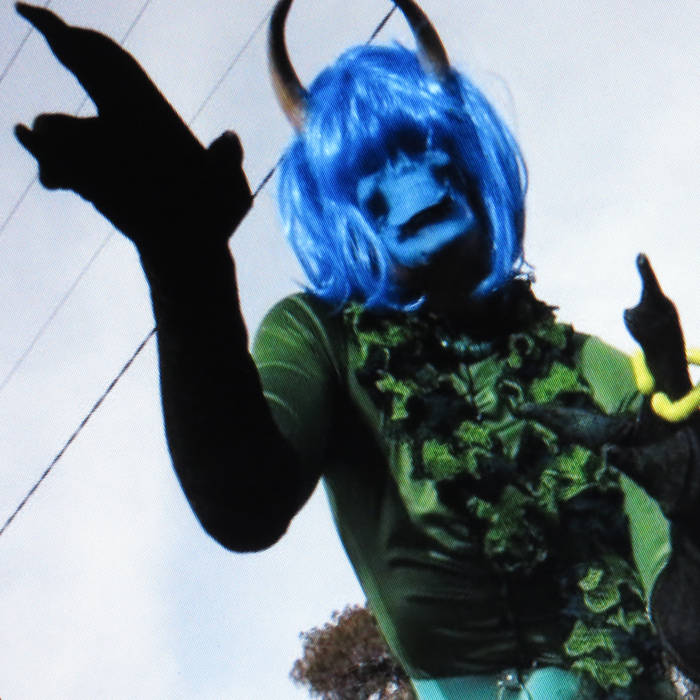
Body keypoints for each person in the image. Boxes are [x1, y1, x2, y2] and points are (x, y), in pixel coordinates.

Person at [14, 1, 699, 697]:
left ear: (472, 162)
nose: (407, 179)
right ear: (342, 213)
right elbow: (244, 502)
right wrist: (184, 257)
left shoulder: (595, 368)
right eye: (367, 170)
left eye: (424, 145)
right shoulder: (323, 340)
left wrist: (691, 481)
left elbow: (690, 622)